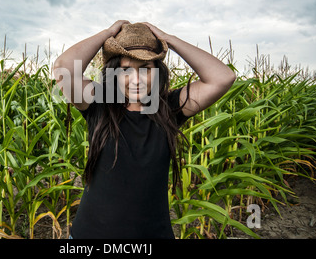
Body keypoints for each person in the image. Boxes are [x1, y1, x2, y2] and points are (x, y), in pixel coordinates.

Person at [53, 21, 236, 239]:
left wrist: (169, 40)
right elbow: (63, 69)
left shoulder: (170, 108)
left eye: (145, 69)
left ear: (157, 73)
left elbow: (223, 78)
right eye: (125, 70)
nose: (136, 80)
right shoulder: (99, 103)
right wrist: (108, 34)